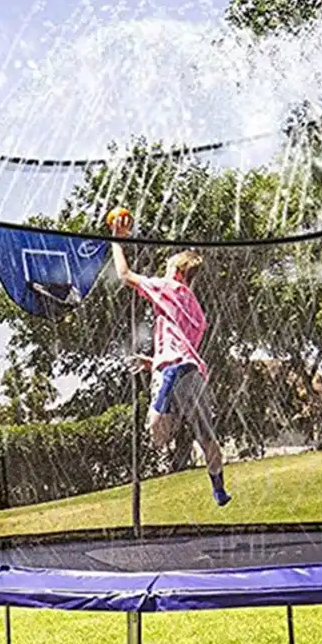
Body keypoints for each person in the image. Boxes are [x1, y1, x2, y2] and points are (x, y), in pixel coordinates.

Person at [108, 207, 231, 506]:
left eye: (166, 268)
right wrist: (154, 361)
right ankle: (218, 489)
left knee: (156, 433)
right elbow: (183, 345)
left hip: (172, 370)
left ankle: (163, 399)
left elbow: (124, 276)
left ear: (177, 273)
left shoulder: (167, 287)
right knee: (206, 436)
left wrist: (115, 239)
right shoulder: (198, 312)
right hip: (192, 371)